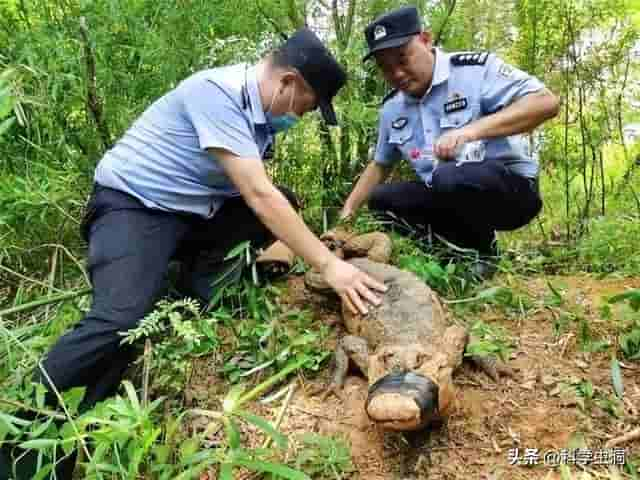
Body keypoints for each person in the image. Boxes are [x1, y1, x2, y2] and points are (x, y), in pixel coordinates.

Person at [0, 28, 387, 480]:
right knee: (120, 320)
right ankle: (21, 431)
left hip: (193, 213)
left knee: (281, 202)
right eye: (303, 107)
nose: (297, 119)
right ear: (287, 82)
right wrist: (329, 266)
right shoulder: (216, 93)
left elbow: (260, 198)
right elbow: (258, 194)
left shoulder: (259, 117)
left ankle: (196, 289)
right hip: (134, 206)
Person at [335, 6, 559, 278]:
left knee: (448, 177)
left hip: (510, 191)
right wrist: (346, 215)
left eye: (403, 59)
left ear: (426, 40)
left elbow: (545, 102)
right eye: (385, 68)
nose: (397, 74)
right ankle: (450, 253)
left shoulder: (473, 71)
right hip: (445, 192)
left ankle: (484, 254)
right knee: (382, 199)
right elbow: (379, 165)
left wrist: (470, 131)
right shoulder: (391, 109)